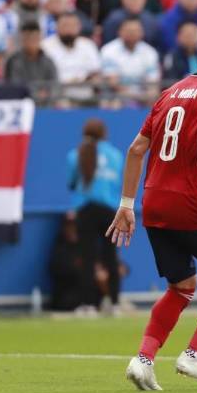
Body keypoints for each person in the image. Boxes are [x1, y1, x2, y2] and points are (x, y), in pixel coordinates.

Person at [107, 27, 197, 391]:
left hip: (155, 203)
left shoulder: (169, 93)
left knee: (181, 286)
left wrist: (126, 204)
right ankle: (194, 355)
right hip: (191, 204)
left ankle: (143, 360)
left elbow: (136, 149)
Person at [68, 119, 124, 313]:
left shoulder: (76, 154)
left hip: (85, 209)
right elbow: (118, 184)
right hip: (109, 210)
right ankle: (114, 303)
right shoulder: (116, 155)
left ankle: (88, 304)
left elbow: (71, 183)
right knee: (111, 257)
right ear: (104, 134)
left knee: (87, 258)